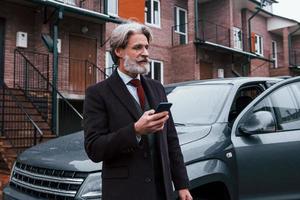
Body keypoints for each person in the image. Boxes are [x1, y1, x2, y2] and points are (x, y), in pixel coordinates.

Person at [83, 22, 192, 200]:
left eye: (147, 47)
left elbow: (171, 139)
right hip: (125, 192)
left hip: (160, 190)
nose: (146, 53)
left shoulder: (157, 88)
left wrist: (181, 184)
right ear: (119, 51)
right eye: (138, 47)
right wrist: (135, 131)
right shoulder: (98, 93)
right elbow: (94, 148)